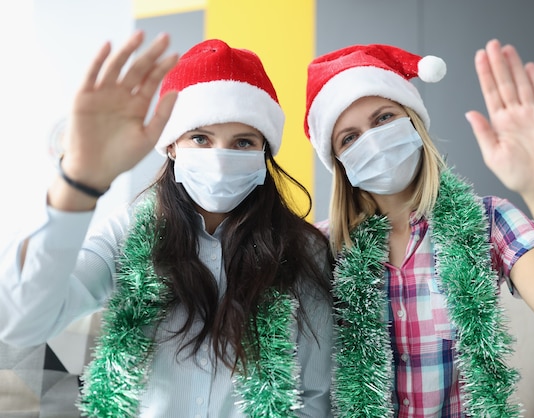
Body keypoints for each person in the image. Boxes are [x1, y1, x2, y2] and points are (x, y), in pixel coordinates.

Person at [0, 31, 334, 417]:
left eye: (242, 142)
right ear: (172, 145)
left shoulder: (301, 249)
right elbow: (21, 323)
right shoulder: (128, 234)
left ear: (265, 151)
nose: (221, 157)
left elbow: (314, 396)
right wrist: (78, 183)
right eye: (201, 138)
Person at [302, 39, 534, 417]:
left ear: (414, 121)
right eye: (350, 137)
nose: (372, 141)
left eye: (384, 118)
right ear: (339, 162)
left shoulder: (490, 222)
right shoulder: (319, 248)